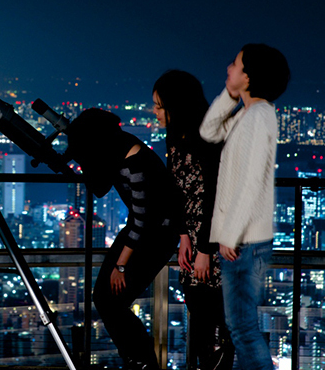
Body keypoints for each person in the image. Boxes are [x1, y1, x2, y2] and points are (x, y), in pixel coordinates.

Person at [65, 108, 183, 370]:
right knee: (105, 299)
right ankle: (138, 358)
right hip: (142, 232)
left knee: (110, 300)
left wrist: (120, 266)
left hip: (156, 236)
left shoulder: (135, 165)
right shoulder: (120, 148)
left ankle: (142, 361)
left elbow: (144, 221)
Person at [199, 44, 290, 370]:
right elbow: (209, 131)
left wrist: (230, 234)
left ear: (249, 76)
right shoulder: (248, 114)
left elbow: (252, 180)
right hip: (244, 239)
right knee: (240, 327)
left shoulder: (259, 117)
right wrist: (229, 94)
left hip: (244, 241)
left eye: (235, 65)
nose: (228, 68)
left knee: (242, 327)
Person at [153, 70, 234, 370]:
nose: (156, 112)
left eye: (160, 106)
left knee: (216, 323)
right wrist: (183, 236)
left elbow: (217, 193)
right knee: (198, 314)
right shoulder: (174, 134)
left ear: (177, 105)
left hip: (217, 238)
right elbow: (176, 190)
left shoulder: (209, 134)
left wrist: (205, 250)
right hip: (194, 237)